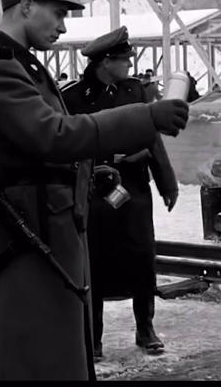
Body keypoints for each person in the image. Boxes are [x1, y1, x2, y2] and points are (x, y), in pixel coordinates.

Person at [0, 0, 190, 381]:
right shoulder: (0, 67)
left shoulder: (15, 62)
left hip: (41, 221)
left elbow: (38, 146)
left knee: (45, 348)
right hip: (31, 228)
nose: (63, 27)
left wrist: (91, 170)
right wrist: (146, 116)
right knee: (33, 354)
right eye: (58, 13)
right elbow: (53, 135)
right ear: (26, 6)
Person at [61, 26, 179, 362]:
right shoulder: (72, 97)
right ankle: (93, 337)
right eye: (124, 60)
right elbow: (63, 143)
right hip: (95, 188)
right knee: (94, 261)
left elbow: (152, 138)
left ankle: (146, 328)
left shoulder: (135, 90)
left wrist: (166, 182)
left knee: (142, 258)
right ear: (105, 62)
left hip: (134, 186)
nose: (130, 64)